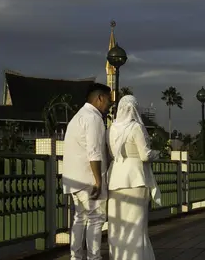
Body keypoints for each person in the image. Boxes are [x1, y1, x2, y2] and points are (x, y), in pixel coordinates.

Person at [63, 83, 113, 260]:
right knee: (96, 219)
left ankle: (75, 256)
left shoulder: (77, 117)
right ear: (100, 98)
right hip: (88, 179)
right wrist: (98, 180)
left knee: (79, 218)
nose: (109, 104)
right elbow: (94, 151)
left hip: (73, 179)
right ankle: (94, 257)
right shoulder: (94, 118)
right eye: (109, 99)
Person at [107, 95, 161, 259]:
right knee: (136, 226)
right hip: (136, 179)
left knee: (118, 226)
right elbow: (145, 155)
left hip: (116, 179)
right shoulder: (136, 127)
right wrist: (157, 154)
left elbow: (111, 154)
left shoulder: (111, 129)